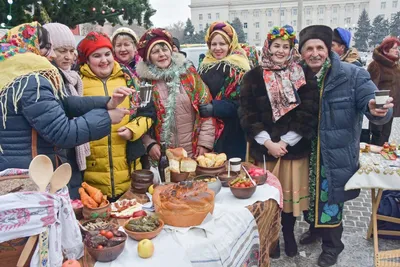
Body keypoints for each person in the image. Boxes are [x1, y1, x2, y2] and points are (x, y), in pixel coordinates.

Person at [297, 25, 394, 267]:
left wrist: (377, 109)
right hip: (306, 150)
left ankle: (333, 245)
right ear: (301, 53)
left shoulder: (352, 74)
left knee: (331, 198)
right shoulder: (296, 75)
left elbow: (370, 101)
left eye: (320, 47)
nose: (315, 53)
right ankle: (314, 229)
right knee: (308, 194)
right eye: (309, 48)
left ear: (329, 49)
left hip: (334, 151)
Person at [0, 22, 130, 190]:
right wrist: (107, 117)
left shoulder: (12, 74)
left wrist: (107, 102)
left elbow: (62, 102)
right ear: (31, 47)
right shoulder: (31, 80)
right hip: (30, 176)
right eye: (47, 48)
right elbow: (61, 132)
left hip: (23, 169)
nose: (52, 55)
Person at [239, 25, 318, 258]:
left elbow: (309, 111)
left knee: (289, 197)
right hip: (263, 150)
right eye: (276, 46)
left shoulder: (302, 75)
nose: (281, 51)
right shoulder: (253, 76)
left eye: (286, 46)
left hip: (292, 149)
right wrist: (267, 142)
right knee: (267, 198)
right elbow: (246, 112)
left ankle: (289, 235)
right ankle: (270, 237)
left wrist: (285, 141)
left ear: (291, 49)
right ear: (268, 47)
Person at [78, 31, 155, 201]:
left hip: (129, 173)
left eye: (107, 54)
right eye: (96, 56)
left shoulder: (131, 78)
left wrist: (132, 129)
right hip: (92, 176)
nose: (104, 60)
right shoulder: (77, 84)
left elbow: (148, 113)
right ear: (87, 59)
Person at [136, 28, 215, 160]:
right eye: (155, 52)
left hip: (194, 152)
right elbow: (140, 117)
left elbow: (206, 108)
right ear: (148, 57)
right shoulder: (144, 84)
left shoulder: (189, 75)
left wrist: (205, 143)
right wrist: (148, 143)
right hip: (163, 157)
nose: (162, 54)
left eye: (164, 49)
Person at [43, 22, 93, 198]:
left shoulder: (73, 79)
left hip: (72, 155)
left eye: (72, 51)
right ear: (48, 51)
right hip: (56, 159)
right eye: (62, 51)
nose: (69, 57)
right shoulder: (47, 80)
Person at [198, 21, 250, 160]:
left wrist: (215, 107)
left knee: (230, 173)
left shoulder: (239, 68)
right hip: (207, 129)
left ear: (230, 45)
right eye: (213, 44)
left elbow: (243, 102)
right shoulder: (204, 65)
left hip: (232, 130)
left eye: (222, 44)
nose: (217, 48)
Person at [367, 36, 400, 146]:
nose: (397, 51)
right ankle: (373, 159)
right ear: (386, 50)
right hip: (378, 108)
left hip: (391, 107)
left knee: (386, 136)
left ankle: (382, 158)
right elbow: (370, 88)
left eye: (398, 48)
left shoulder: (395, 66)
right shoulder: (375, 65)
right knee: (377, 136)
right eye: (394, 48)